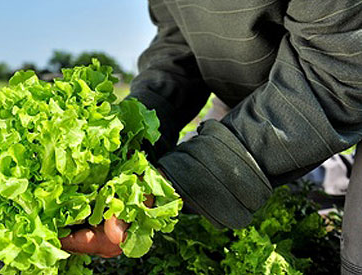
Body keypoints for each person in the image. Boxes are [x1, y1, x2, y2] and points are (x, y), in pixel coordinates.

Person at [59, 0, 362, 273]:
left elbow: (341, 73)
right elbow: (180, 45)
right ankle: (327, 173)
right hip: (246, 95)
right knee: (223, 209)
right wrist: (126, 142)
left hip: (342, 74)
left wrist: (180, 178)